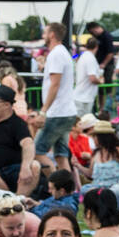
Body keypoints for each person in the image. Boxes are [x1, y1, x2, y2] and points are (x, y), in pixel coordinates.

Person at [32, 22, 77, 175]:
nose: (43, 36)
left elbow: (55, 85)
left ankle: (57, 186)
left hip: (57, 113)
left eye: (45, 33)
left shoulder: (56, 54)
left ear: (52, 34)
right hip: (66, 112)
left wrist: (43, 112)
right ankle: (69, 192)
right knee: (61, 156)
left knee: (36, 152)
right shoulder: (63, 52)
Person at [73, 36, 102, 118]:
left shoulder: (84, 56)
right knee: (83, 123)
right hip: (84, 98)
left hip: (82, 96)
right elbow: (92, 78)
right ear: (96, 47)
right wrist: (101, 81)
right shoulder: (90, 58)